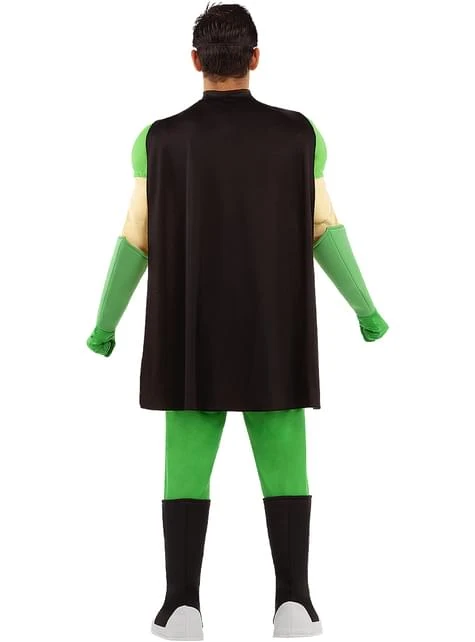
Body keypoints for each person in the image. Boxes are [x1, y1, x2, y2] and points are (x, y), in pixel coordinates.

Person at [86, 3, 388, 639]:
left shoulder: (157, 139)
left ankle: (180, 606)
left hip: (187, 332)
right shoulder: (301, 134)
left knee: (184, 465)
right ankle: (295, 603)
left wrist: (104, 324)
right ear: (255, 58)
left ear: (195, 61)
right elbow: (323, 230)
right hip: (275, 330)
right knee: (286, 462)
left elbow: (135, 240)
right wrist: (366, 310)